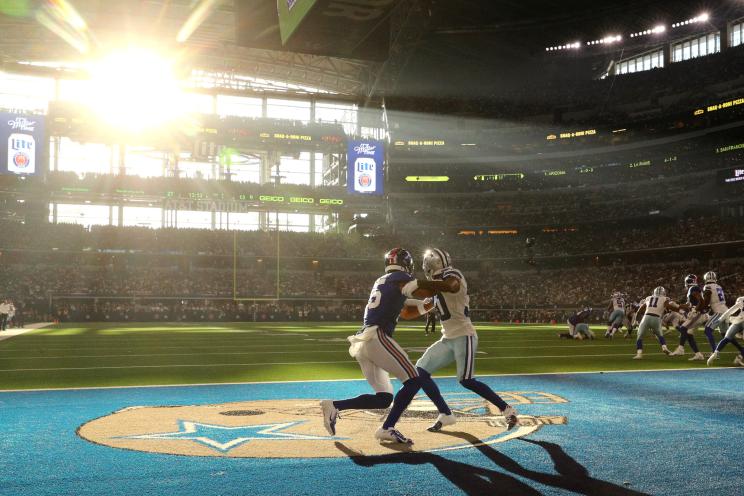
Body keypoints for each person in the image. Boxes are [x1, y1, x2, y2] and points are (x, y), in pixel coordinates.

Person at [319, 248, 458, 445]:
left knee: (384, 398)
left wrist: (430, 304)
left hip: (364, 341)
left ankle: (333, 405)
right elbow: (422, 289)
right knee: (414, 380)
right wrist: (445, 285)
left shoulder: (383, 282)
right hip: (377, 337)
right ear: (406, 264)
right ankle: (387, 427)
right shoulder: (399, 277)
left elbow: (407, 311)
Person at [411, 248, 519, 432]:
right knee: (419, 371)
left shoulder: (451, 274)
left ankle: (507, 410)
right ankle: (445, 414)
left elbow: (451, 286)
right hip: (448, 338)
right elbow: (419, 306)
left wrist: (414, 284)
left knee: (466, 380)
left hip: (464, 335)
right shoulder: (435, 287)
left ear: (431, 264)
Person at [669, 274, 708, 361]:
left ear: (687, 282)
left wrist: (695, 310)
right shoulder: (693, 289)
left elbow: (701, 300)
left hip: (698, 313)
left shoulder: (693, 288)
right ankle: (698, 354)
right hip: (698, 313)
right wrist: (678, 306)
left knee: (683, 328)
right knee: (689, 334)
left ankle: (680, 349)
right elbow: (689, 305)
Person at [633, 287, 678, 359]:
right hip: (656, 318)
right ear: (663, 292)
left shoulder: (648, 298)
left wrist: (635, 321)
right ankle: (664, 348)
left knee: (639, 337)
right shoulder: (665, 298)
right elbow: (668, 306)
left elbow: (640, 309)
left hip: (646, 317)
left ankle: (639, 354)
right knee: (660, 335)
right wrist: (678, 309)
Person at [707, 296, 744, 367]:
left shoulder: (741, 299)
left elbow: (731, 310)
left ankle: (715, 353)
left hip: (738, 320)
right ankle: (739, 357)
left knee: (727, 338)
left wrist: (720, 319)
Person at [699, 271, 727, 352]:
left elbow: (707, 300)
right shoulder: (719, 286)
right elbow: (717, 300)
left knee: (707, 330)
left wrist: (703, 308)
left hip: (719, 312)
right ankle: (741, 350)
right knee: (727, 336)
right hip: (725, 310)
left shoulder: (707, 286)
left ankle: (714, 352)